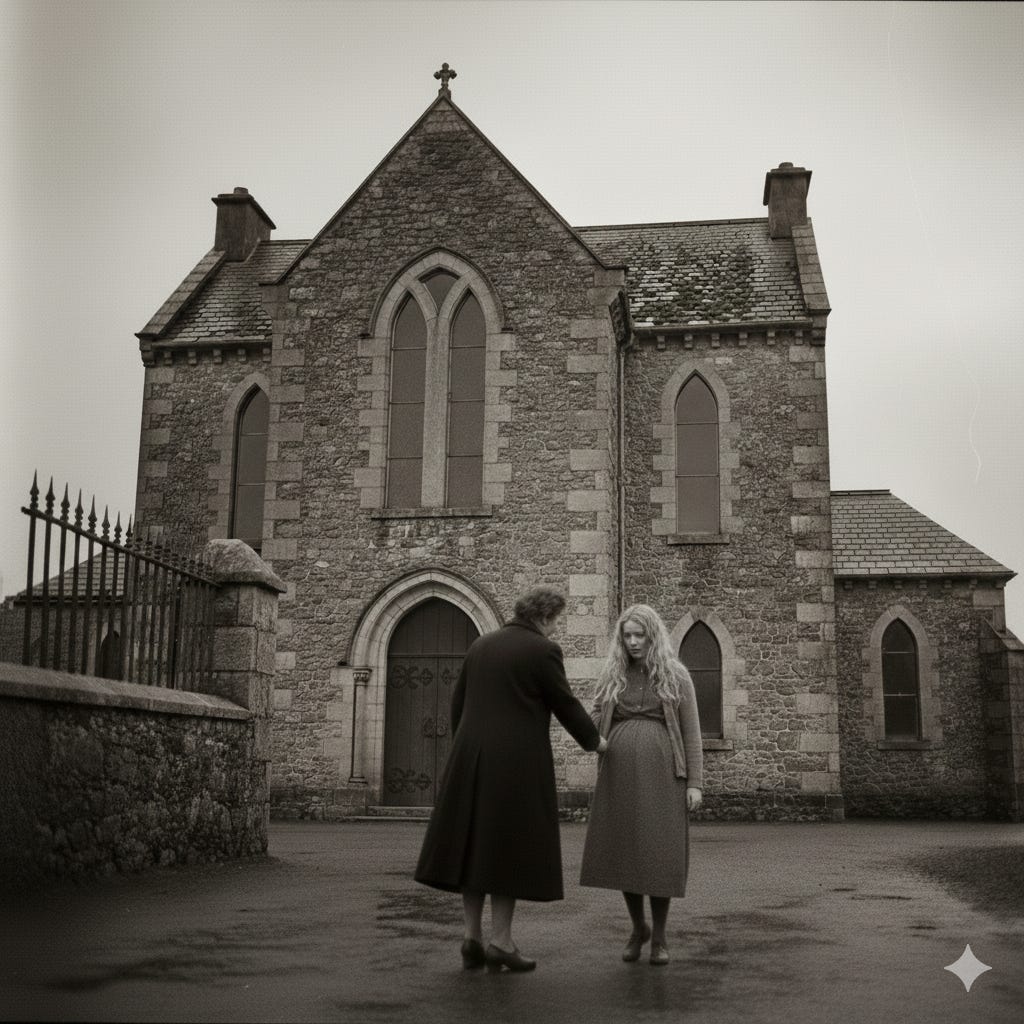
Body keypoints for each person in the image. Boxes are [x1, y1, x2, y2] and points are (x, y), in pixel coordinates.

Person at [414, 585, 608, 973]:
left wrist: (466, 748)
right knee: (506, 850)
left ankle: (471, 938)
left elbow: (457, 706)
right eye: (556, 621)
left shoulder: (480, 646)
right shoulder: (543, 650)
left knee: (472, 848)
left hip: (469, 759)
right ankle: (501, 942)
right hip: (516, 764)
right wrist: (596, 742)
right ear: (545, 616)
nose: (556, 628)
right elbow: (564, 703)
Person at [580, 604, 703, 966]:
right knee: (626, 852)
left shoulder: (676, 675)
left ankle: (660, 936)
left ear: (653, 635)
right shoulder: (613, 673)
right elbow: (595, 715)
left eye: (639, 635)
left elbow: (692, 733)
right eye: (627, 636)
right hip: (617, 774)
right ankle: (638, 928)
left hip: (664, 775)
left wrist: (695, 783)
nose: (633, 642)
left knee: (658, 853)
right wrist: (592, 725)